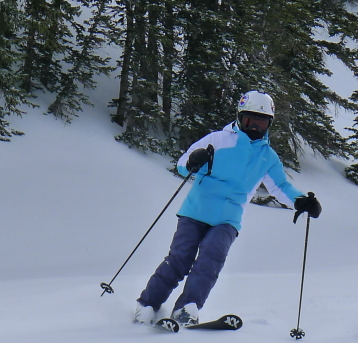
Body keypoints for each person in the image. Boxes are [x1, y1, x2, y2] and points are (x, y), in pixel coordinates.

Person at [135, 90, 322, 326]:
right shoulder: (218, 140)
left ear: (269, 124)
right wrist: (194, 161)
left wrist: (300, 200)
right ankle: (147, 305)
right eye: (250, 120)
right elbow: (183, 164)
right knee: (180, 258)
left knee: (211, 258)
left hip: (228, 218)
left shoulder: (267, 156)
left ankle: (187, 309)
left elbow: (280, 186)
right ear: (240, 118)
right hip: (195, 211)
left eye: (261, 122)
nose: (255, 127)